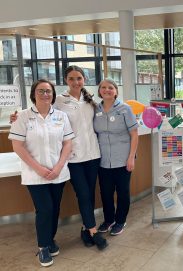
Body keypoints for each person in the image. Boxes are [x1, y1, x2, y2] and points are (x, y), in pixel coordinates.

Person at [10, 66, 108, 250]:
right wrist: (16, 116)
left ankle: (86, 228)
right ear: (66, 80)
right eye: (71, 79)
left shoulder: (90, 100)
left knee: (90, 193)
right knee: (83, 194)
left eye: (79, 78)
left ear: (84, 79)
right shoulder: (60, 101)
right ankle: (93, 230)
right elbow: (41, 109)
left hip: (93, 154)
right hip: (72, 157)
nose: (76, 82)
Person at [8, 79, 74, 267]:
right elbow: (18, 146)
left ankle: (50, 239)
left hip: (57, 172)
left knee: (54, 209)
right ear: (33, 94)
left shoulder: (61, 116)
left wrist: (59, 166)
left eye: (48, 91)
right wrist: (39, 169)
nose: (45, 94)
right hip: (35, 174)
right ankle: (43, 247)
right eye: (41, 91)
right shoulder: (22, 116)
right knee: (44, 209)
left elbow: (68, 142)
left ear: (53, 94)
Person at [93, 79, 139, 235]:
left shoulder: (125, 109)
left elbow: (134, 134)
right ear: (99, 91)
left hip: (123, 158)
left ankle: (120, 221)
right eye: (103, 88)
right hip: (103, 159)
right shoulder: (95, 109)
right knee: (105, 192)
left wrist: (131, 157)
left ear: (115, 91)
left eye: (110, 87)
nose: (107, 90)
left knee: (122, 192)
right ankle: (108, 220)